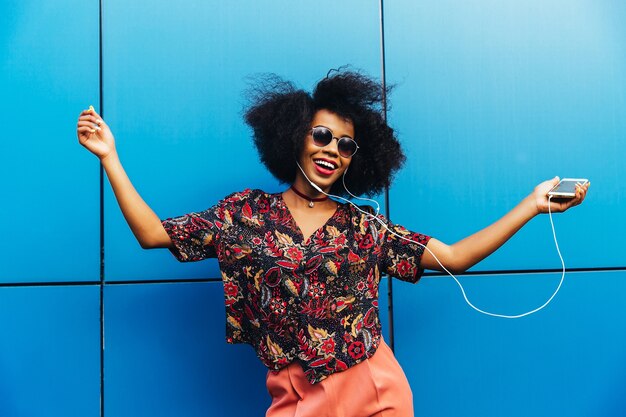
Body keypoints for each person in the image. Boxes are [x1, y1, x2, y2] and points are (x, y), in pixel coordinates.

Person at [76, 70, 589, 417]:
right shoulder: (244, 213)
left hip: (375, 391)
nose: (333, 151)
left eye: (346, 145)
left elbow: (454, 257)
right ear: (295, 136)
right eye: (322, 136)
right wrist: (110, 159)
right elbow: (152, 235)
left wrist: (532, 204)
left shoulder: (364, 227)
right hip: (295, 393)